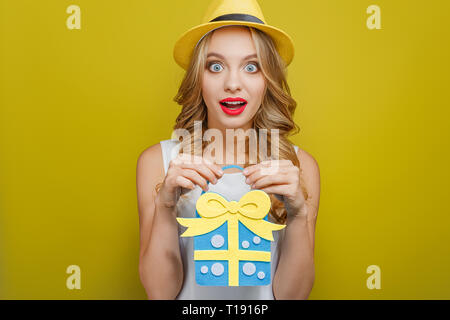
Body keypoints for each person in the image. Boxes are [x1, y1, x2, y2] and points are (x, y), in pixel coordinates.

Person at [136, 0, 320, 300]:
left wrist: (298, 214)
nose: (233, 84)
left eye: (251, 67)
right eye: (216, 66)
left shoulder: (299, 166)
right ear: (199, 77)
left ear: (267, 80)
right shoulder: (158, 162)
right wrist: (165, 206)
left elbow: (292, 297)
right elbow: (160, 293)